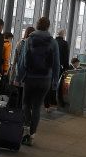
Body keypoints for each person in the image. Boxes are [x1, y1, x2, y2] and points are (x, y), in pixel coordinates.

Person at [17, 17, 60, 146]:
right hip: (45, 79)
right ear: (48, 27)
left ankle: (26, 128)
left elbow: (24, 61)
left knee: (25, 104)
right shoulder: (53, 42)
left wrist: (19, 77)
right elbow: (56, 64)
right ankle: (32, 134)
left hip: (30, 77)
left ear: (37, 25)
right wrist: (54, 82)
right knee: (37, 106)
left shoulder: (29, 39)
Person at [44, 29, 70, 112]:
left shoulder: (52, 42)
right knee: (57, 85)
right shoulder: (65, 44)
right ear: (64, 35)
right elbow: (66, 57)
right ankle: (55, 102)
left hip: (49, 67)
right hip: (59, 67)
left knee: (48, 85)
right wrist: (66, 68)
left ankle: (47, 104)